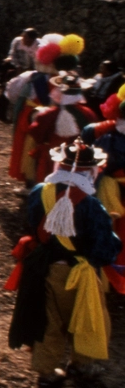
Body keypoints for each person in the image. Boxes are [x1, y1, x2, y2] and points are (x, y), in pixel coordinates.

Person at [7, 139, 120, 388]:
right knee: (86, 318)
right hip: (79, 272)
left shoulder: (40, 191)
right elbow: (105, 248)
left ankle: (46, 372)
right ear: (90, 171)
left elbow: (33, 222)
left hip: (45, 268)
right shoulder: (92, 206)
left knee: (48, 320)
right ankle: (81, 364)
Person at [5, 34, 69, 187]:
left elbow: (12, 93)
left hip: (32, 117)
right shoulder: (66, 80)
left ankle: (30, 182)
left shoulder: (30, 77)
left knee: (30, 148)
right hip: (56, 119)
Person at [83, 96, 125, 293]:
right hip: (114, 187)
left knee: (110, 228)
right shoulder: (105, 135)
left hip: (110, 188)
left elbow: (100, 163)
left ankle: (110, 276)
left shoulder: (106, 137)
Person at [28, 70, 100, 185]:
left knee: (49, 185)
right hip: (80, 158)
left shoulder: (48, 114)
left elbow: (36, 133)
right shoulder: (89, 113)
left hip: (52, 157)